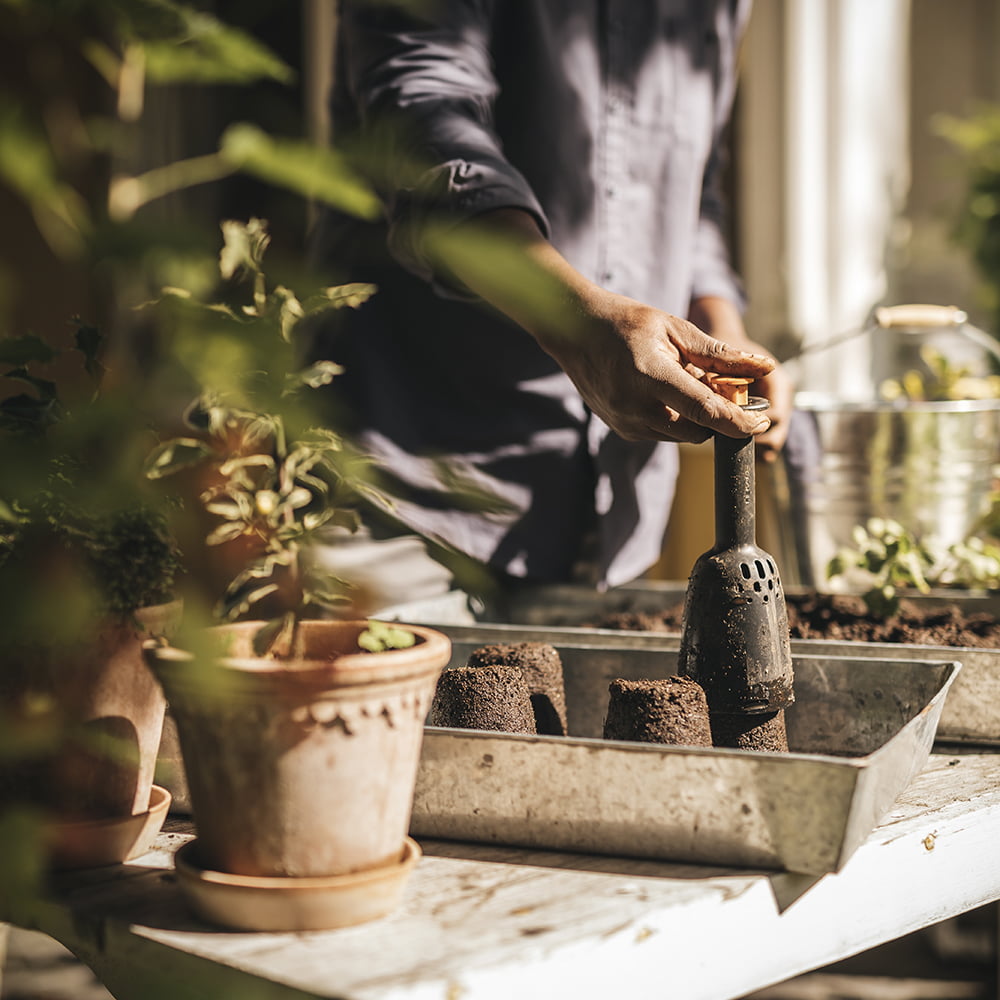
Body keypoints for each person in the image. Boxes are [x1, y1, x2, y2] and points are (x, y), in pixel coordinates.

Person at [305, 0, 792, 617]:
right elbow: (423, 132)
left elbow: (693, 193)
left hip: (610, 516)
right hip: (407, 494)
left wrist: (722, 325)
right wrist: (578, 326)